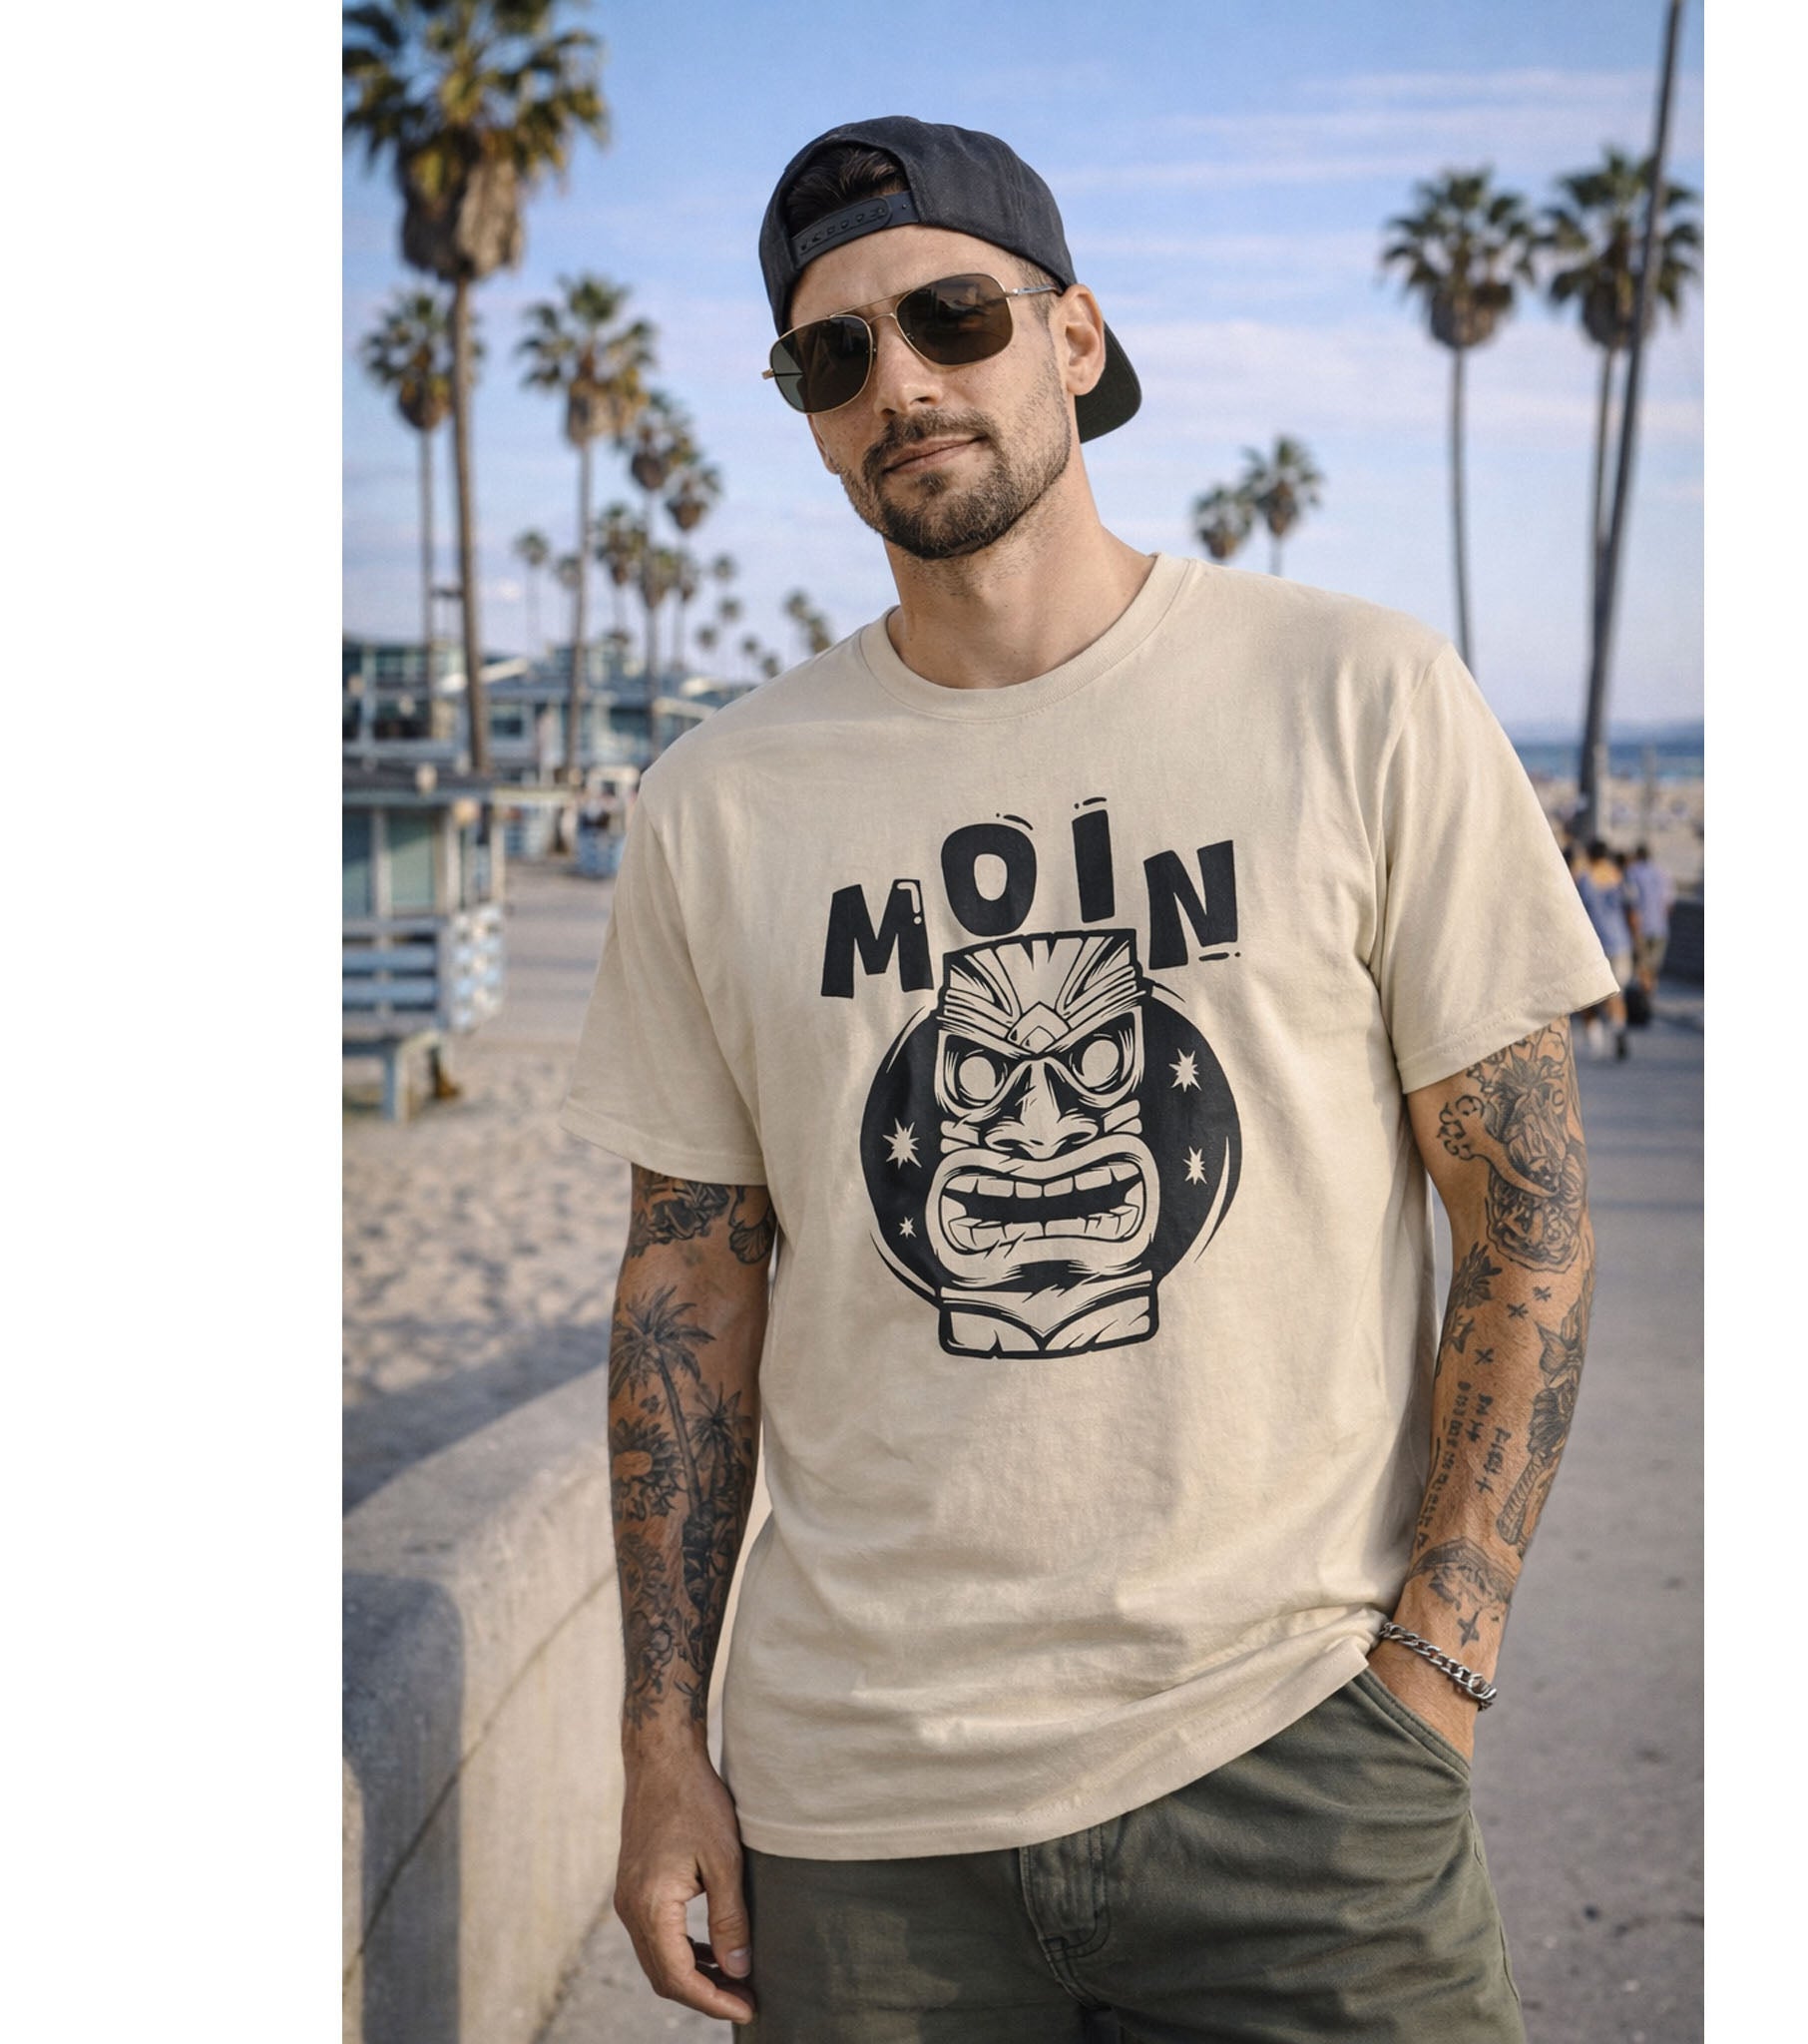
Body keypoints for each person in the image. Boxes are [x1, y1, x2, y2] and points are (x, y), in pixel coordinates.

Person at [561, 116, 1619, 2040]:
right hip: (861, 1816)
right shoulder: (716, 804)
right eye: (834, 355)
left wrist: (1437, 1660)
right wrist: (657, 1738)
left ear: (1070, 336)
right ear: (805, 413)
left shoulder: (1354, 695)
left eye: (950, 315)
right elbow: (688, 1286)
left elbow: (1527, 1220)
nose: (902, 381)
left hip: (1302, 1769)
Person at [1573, 838, 1635, 1060]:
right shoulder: (1619, 876)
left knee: (1589, 996)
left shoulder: (1585, 879)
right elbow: (1632, 911)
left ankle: (1594, 1040)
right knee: (1617, 993)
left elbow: (1576, 912)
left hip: (1593, 946)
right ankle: (1618, 1029)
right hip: (1620, 942)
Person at [1626, 839, 1673, 995]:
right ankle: (1649, 996)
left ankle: (1645, 999)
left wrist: (1633, 929)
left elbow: (1632, 902)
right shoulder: (1662, 873)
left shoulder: (1632, 872)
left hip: (1642, 927)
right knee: (1653, 967)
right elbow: (1668, 904)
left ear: (1637, 855)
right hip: (1660, 927)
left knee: (1643, 967)